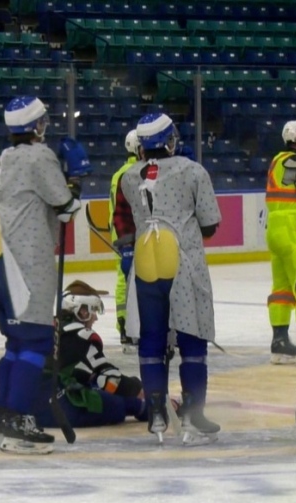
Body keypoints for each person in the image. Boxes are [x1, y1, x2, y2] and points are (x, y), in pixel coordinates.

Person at [113, 112, 223, 447]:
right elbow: (210, 223)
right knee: (192, 339)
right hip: (183, 261)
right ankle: (193, 411)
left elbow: (125, 227)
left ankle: (158, 411)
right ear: (169, 139)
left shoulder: (128, 177)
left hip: (147, 261)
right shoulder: (192, 171)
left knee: (151, 339)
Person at [0, 95, 81, 455]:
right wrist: (75, 183)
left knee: (16, 343)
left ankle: (4, 417)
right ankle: (19, 418)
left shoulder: (1, 159)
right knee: (35, 341)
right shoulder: (40, 155)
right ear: (36, 124)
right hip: (27, 260)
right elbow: (64, 204)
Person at [34, 280, 153, 429]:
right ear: (82, 311)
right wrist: (141, 391)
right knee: (118, 403)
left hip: (31, 406)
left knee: (96, 383)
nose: (95, 318)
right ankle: (151, 408)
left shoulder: (47, 328)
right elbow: (109, 379)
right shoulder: (83, 336)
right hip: (62, 408)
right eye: (93, 311)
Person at [265, 120, 296, 364]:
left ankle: (280, 342)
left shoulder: (277, 160)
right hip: (294, 228)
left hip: (275, 228)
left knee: (282, 289)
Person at [109, 129, 140, 353]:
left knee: (125, 282)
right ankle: (127, 326)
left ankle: (125, 327)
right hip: (129, 236)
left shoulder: (119, 172)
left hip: (121, 235)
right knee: (128, 282)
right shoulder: (134, 172)